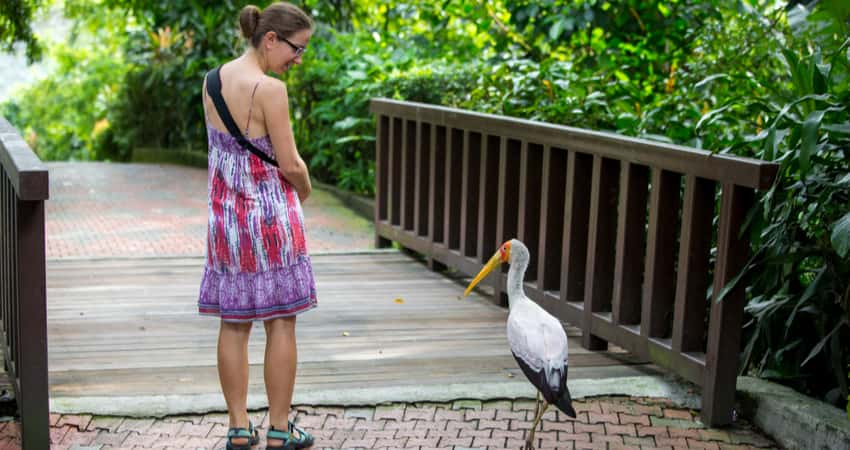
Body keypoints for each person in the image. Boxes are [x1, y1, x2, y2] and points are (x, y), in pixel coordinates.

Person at [196, 3, 316, 450]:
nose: (297, 59)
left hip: (225, 222)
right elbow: (290, 163)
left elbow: (223, 153)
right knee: (281, 322)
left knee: (233, 323)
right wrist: (305, 189)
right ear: (271, 39)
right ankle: (281, 429)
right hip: (269, 220)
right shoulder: (271, 89)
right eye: (296, 49)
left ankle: (238, 428)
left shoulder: (211, 82)